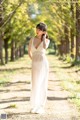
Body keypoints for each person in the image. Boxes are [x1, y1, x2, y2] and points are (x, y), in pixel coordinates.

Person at [28, 22, 50, 114]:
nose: (37, 30)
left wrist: (44, 38)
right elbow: (29, 51)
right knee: (35, 83)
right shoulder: (32, 39)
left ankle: (41, 105)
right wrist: (33, 60)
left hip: (43, 63)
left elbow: (44, 47)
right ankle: (34, 105)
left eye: (39, 29)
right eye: (37, 29)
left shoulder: (47, 41)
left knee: (42, 84)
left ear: (43, 31)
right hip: (34, 64)